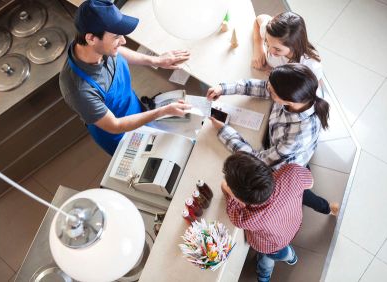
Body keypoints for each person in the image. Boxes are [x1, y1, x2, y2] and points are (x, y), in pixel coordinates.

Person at [59, 0, 191, 155]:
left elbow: (117, 51)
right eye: (116, 36)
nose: (123, 41)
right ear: (91, 39)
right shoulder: (79, 89)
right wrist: (161, 112)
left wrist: (156, 60)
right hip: (119, 135)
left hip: (134, 108)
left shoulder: (93, 45)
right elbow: (115, 125)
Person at [207, 63, 339, 216]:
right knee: (303, 177)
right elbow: (263, 87)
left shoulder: (297, 137)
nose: (267, 88)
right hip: (285, 149)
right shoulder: (301, 95)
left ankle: (326, 208)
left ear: (287, 100)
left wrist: (223, 130)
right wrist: (224, 88)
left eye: (272, 89)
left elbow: (256, 160)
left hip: (286, 164)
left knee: (300, 191)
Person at [222, 151, 313, 281]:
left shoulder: (245, 219)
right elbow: (310, 183)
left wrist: (226, 188)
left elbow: (231, 206)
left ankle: (270, 269)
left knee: (267, 258)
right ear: (262, 165)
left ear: (241, 198)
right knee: (278, 250)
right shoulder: (292, 172)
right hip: (293, 224)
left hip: (271, 245)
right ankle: (289, 257)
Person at [251, 12, 323, 86]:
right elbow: (259, 19)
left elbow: (308, 89)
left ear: (294, 46)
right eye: (267, 42)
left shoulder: (310, 66)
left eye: (277, 49)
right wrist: (258, 48)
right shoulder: (271, 32)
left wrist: (278, 77)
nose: (269, 50)